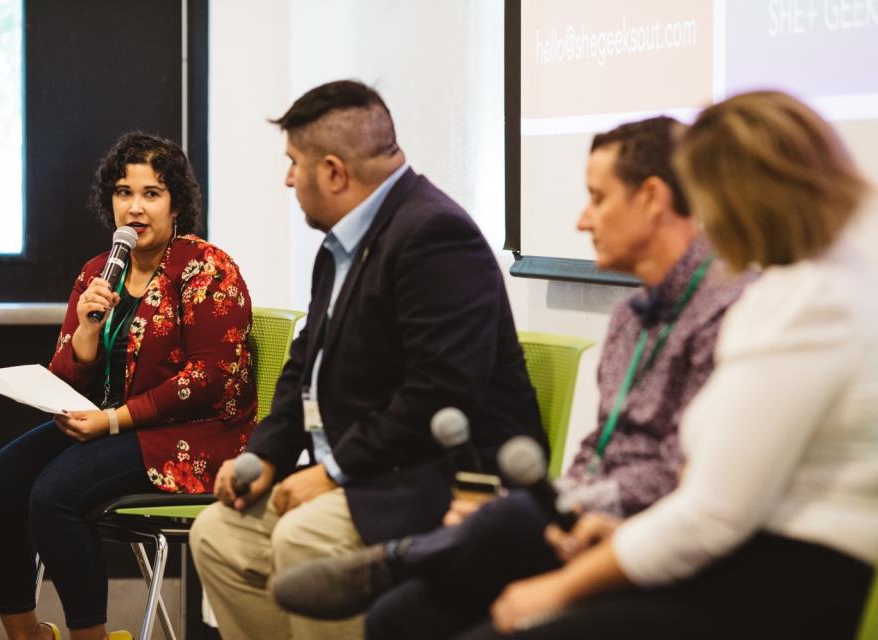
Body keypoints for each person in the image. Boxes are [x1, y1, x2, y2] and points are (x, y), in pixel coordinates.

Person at [270, 115, 754, 639]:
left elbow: (679, 473)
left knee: (508, 523)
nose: (582, 221)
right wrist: (570, 503)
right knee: (397, 617)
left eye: (598, 198)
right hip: (591, 522)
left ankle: (407, 557)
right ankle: (418, 557)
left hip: (654, 543)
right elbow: (602, 446)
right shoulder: (631, 317)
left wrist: (573, 505)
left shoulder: (729, 313)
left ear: (652, 199)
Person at [462, 92, 878, 639]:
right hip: (744, 563)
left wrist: (562, 588)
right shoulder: (827, 284)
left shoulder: (809, 303)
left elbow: (713, 516)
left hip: (775, 590)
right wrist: (619, 537)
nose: (702, 220)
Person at [187, 80, 545, 640]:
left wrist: (333, 473)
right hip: (369, 472)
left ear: (333, 172)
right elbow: (304, 364)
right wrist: (266, 455)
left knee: (302, 539)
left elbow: (440, 392)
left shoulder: (434, 234)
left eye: (293, 164)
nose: (287, 180)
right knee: (217, 535)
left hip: (440, 477)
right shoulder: (344, 241)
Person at [0, 132, 257, 640]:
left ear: (176, 203)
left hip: (195, 437)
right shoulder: (99, 272)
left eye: (151, 193)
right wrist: (88, 333)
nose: (135, 208)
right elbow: (66, 379)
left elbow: (209, 379)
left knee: (55, 495)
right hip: (111, 424)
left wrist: (113, 420)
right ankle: (28, 633)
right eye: (123, 192)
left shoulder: (208, 268)